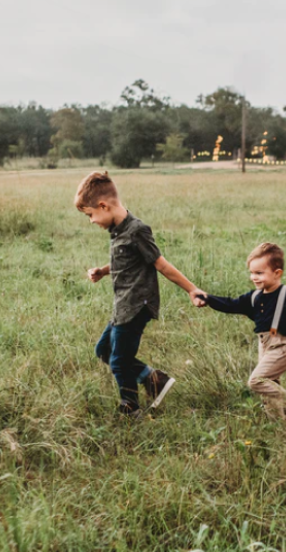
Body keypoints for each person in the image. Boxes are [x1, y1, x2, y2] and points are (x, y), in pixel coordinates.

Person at [75, 171, 206, 418]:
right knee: (103, 350)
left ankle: (130, 408)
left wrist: (192, 289)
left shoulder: (137, 230)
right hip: (122, 305)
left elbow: (161, 264)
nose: (91, 221)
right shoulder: (117, 230)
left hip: (137, 305)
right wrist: (103, 271)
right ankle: (154, 379)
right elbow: (126, 261)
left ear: (103, 205)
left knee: (119, 361)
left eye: (90, 215)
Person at [198, 243, 286, 421]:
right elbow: (231, 304)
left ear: (277, 273)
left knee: (256, 381)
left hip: (282, 346)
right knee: (270, 386)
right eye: (252, 273)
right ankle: (279, 424)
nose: (254, 277)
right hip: (264, 345)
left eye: (259, 273)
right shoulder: (254, 297)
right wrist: (207, 298)